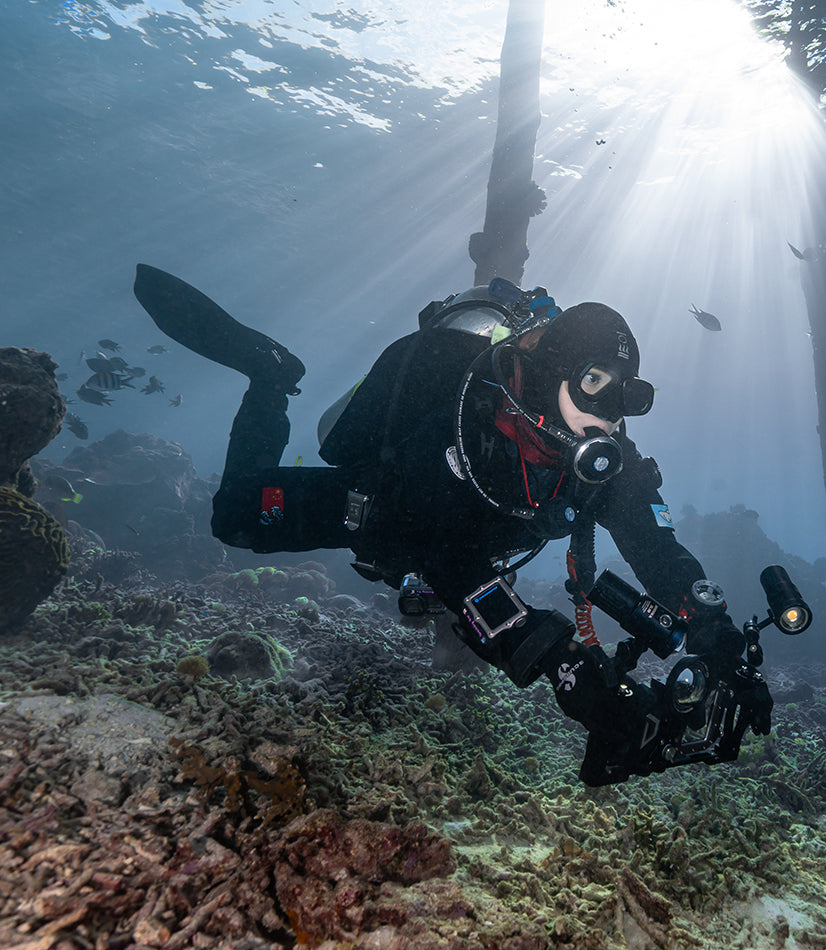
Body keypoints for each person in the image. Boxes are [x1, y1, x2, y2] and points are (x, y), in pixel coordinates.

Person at [133, 265, 773, 786]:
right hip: (385, 514)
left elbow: (654, 546)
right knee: (235, 519)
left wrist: (713, 626)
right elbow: (454, 567)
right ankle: (270, 378)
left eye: (625, 395)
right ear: (552, 370)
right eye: (594, 383)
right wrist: (571, 672)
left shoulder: (599, 459)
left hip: (467, 548)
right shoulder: (458, 409)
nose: (608, 416)